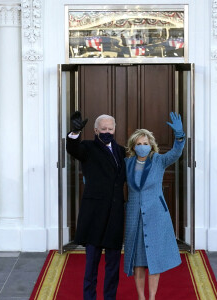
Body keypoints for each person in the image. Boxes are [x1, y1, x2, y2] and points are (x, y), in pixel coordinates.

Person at [124, 112, 185, 300]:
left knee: (155, 261)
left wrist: (180, 136)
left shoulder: (159, 160)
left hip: (156, 215)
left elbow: (176, 153)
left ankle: (152, 298)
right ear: (134, 146)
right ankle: (141, 297)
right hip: (135, 216)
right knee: (138, 262)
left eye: (146, 143)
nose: (143, 146)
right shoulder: (127, 163)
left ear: (151, 145)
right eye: (139, 144)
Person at [66, 111, 126, 300]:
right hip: (94, 215)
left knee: (113, 266)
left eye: (110, 128)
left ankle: (109, 297)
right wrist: (74, 132)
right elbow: (73, 149)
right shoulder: (88, 147)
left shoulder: (121, 151)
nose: (107, 131)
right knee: (91, 264)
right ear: (95, 130)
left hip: (115, 214)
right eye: (103, 129)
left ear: (115, 129)